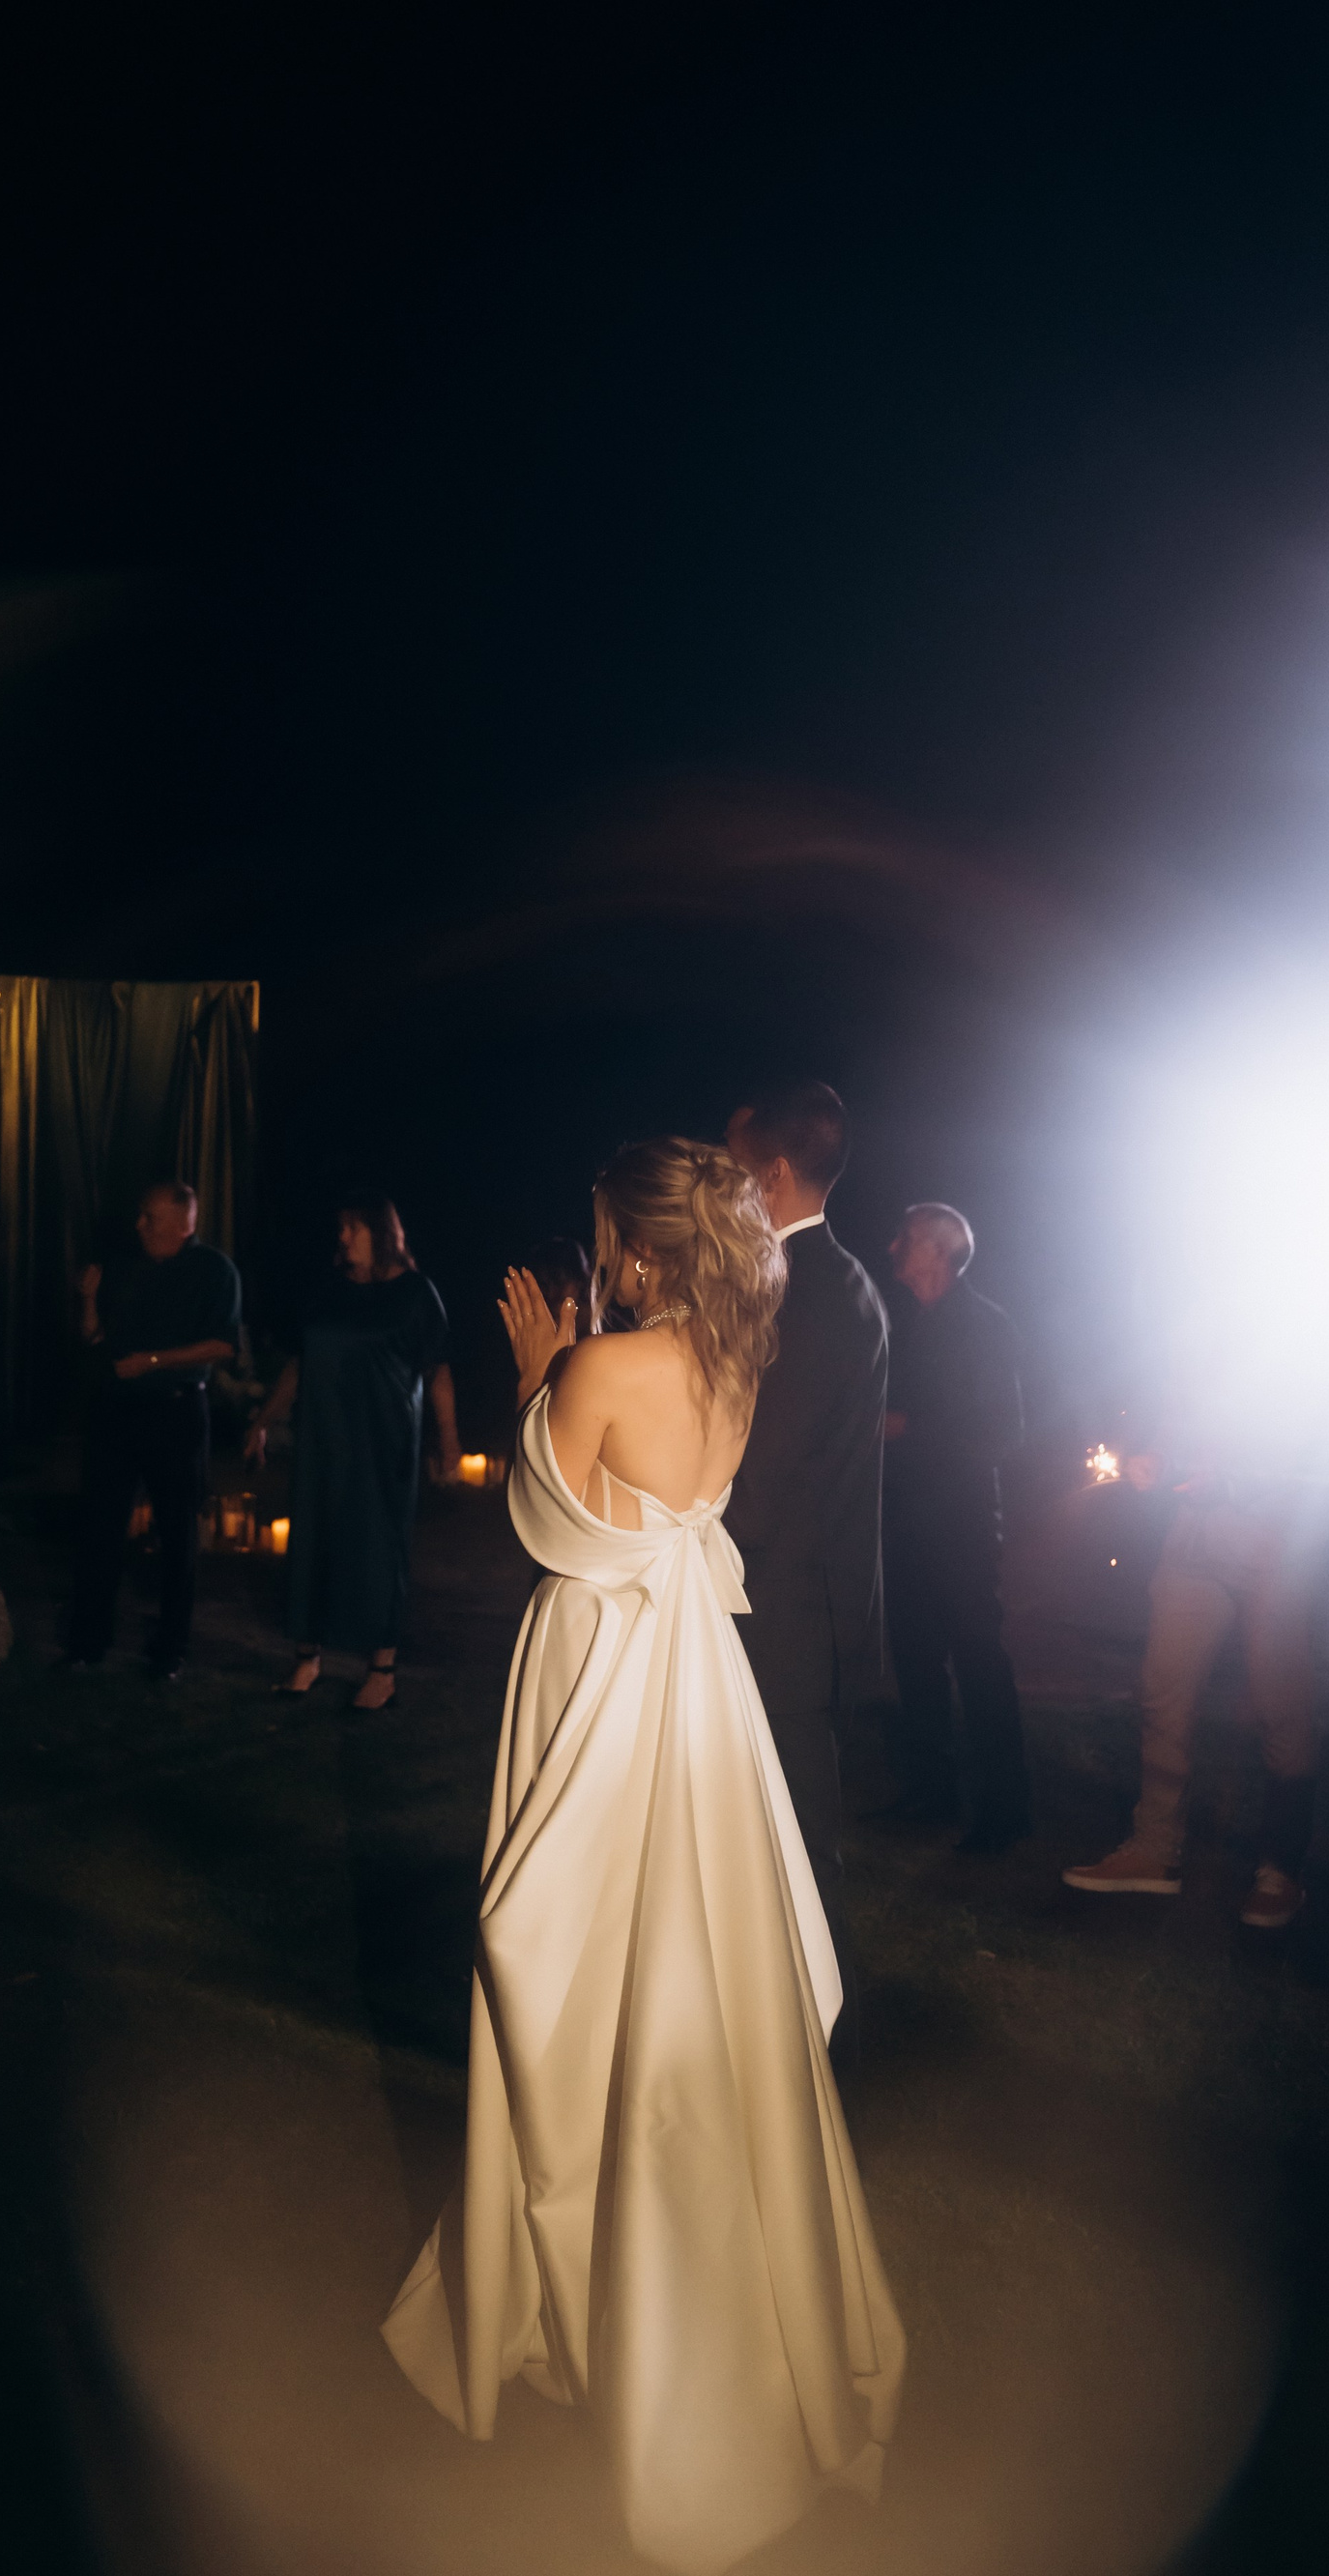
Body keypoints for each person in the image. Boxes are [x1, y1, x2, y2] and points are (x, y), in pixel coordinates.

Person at [383, 1138, 904, 2576]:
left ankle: (586, 2281)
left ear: (641, 1245)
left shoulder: (605, 1367)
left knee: (577, 1959)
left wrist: (542, 1369)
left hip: (598, 1672)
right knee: (685, 1962)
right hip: (692, 1690)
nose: (598, 1254)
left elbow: (541, 1520)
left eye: (608, 1236)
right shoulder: (736, 1363)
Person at [722, 1079, 888, 2041]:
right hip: (795, 1597)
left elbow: (763, 1475)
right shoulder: (830, 1277)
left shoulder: (812, 1294)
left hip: (787, 1610)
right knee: (767, 1835)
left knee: (796, 1841)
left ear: (773, 1174)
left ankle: (825, 2045)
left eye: (735, 1168)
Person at [1061, 1440, 1319, 1927]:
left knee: (1280, 1705)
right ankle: (1155, 1848)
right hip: (1193, 1546)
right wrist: (1155, 1456)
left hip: (1280, 1541)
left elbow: (1319, 1446)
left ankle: (1282, 1868)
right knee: (1163, 1695)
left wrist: (1231, 1478)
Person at [246, 1191, 460, 1710]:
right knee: (312, 1540)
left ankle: (381, 1669)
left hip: (383, 1443)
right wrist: (263, 1419)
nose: (342, 1237)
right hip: (322, 1438)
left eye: (353, 1227)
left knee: (378, 1549)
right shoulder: (329, 1291)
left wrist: (449, 1438)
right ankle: (307, 1657)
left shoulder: (415, 1293)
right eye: (341, 1227)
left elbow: (437, 1369)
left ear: (381, 1233)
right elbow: (300, 1363)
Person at [880, 1201, 1030, 1851]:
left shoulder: (985, 1325)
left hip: (961, 1523)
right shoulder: (908, 1322)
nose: (893, 1247)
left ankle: (1005, 1809)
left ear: (938, 1252)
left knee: (978, 1661)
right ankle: (934, 1791)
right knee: (916, 1659)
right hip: (907, 1518)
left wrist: (906, 1427)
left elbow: (1002, 1430)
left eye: (906, 1238)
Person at [63, 1180, 242, 1682]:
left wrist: (154, 1361)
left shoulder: (214, 1271)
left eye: (151, 1218)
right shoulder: (128, 1266)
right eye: (141, 1215)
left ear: (183, 1225)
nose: (140, 1225)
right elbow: (96, 1338)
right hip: (118, 1412)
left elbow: (223, 1345)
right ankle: (88, 1642)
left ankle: (169, 1652)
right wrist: (88, 1300)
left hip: (175, 1412)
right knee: (101, 1526)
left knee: (178, 1533)